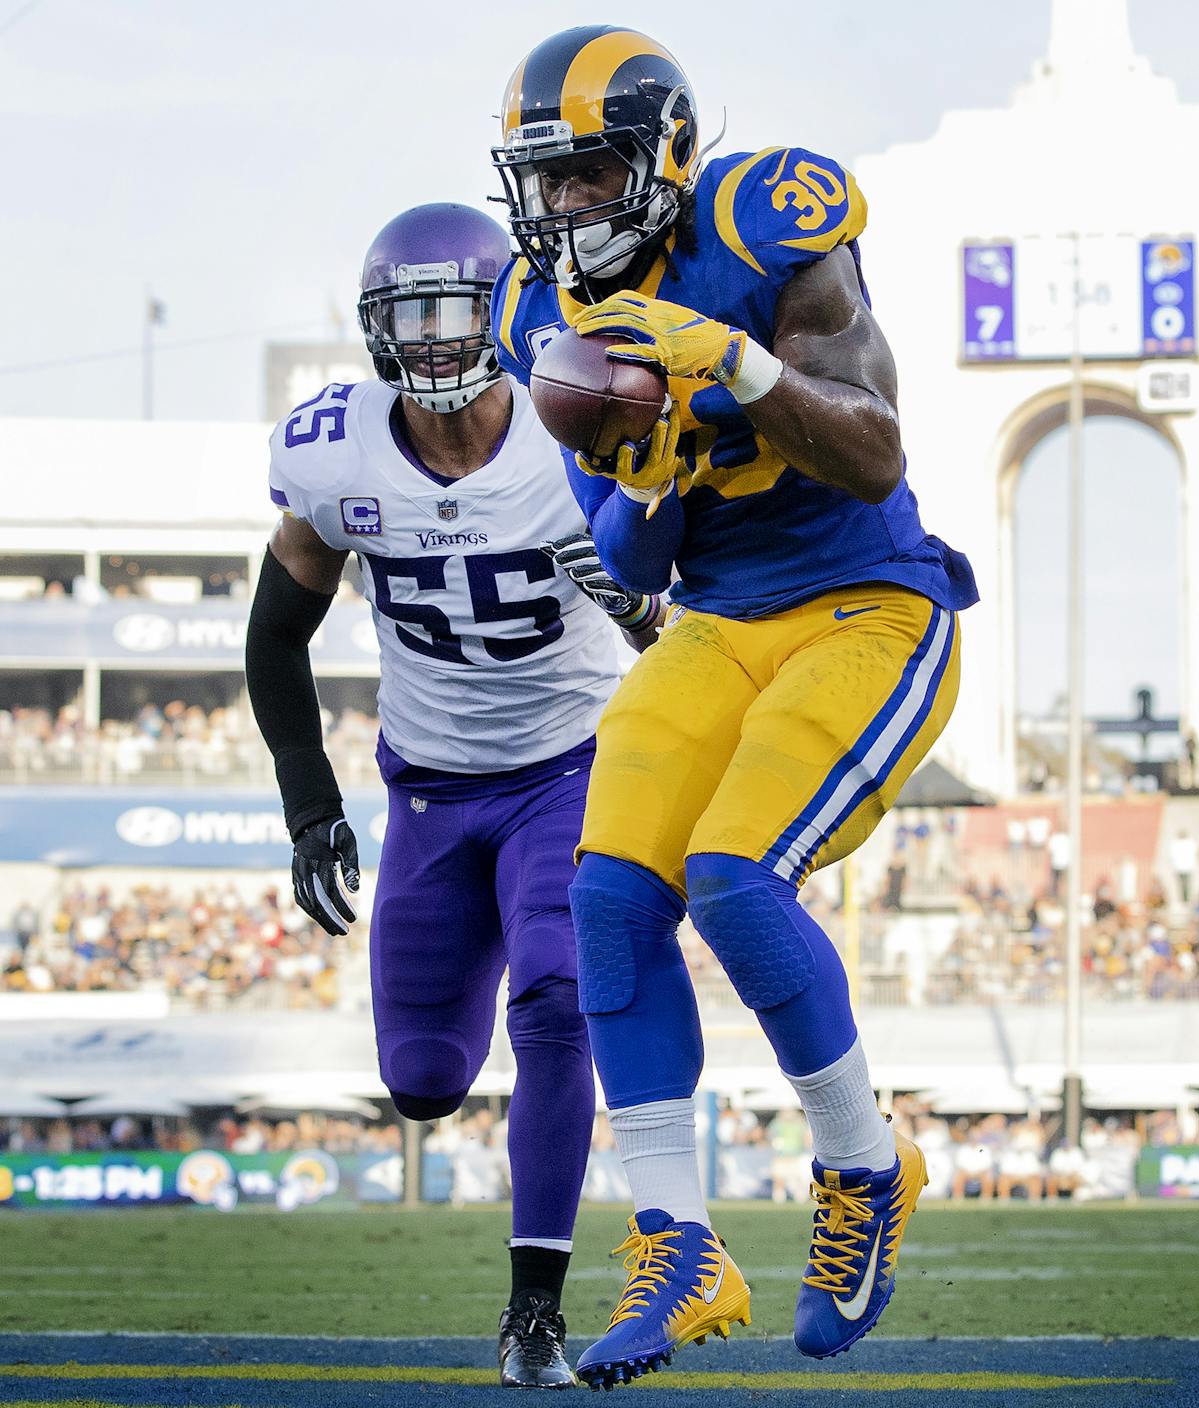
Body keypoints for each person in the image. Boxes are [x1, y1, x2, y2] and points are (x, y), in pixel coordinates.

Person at [489, 25, 978, 1387]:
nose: (564, 211)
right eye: (546, 183)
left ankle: (866, 1168)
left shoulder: (771, 221)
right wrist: (642, 462)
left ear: (663, 160)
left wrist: (739, 365)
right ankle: (680, 1244)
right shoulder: (551, 323)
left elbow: (877, 455)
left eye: (588, 178)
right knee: (609, 897)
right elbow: (637, 568)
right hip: (716, 620)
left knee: (734, 879)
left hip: (868, 605)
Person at [246, 203, 662, 1390]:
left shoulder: (582, 425)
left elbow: (693, 640)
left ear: (501, 312)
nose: (432, 341)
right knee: (422, 1078)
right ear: (374, 329)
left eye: (451, 309)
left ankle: (534, 1308)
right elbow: (275, 636)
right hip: (427, 787)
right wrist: (307, 800)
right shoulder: (335, 453)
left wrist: (635, 607)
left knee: (554, 1003)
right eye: (407, 315)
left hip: (572, 765)